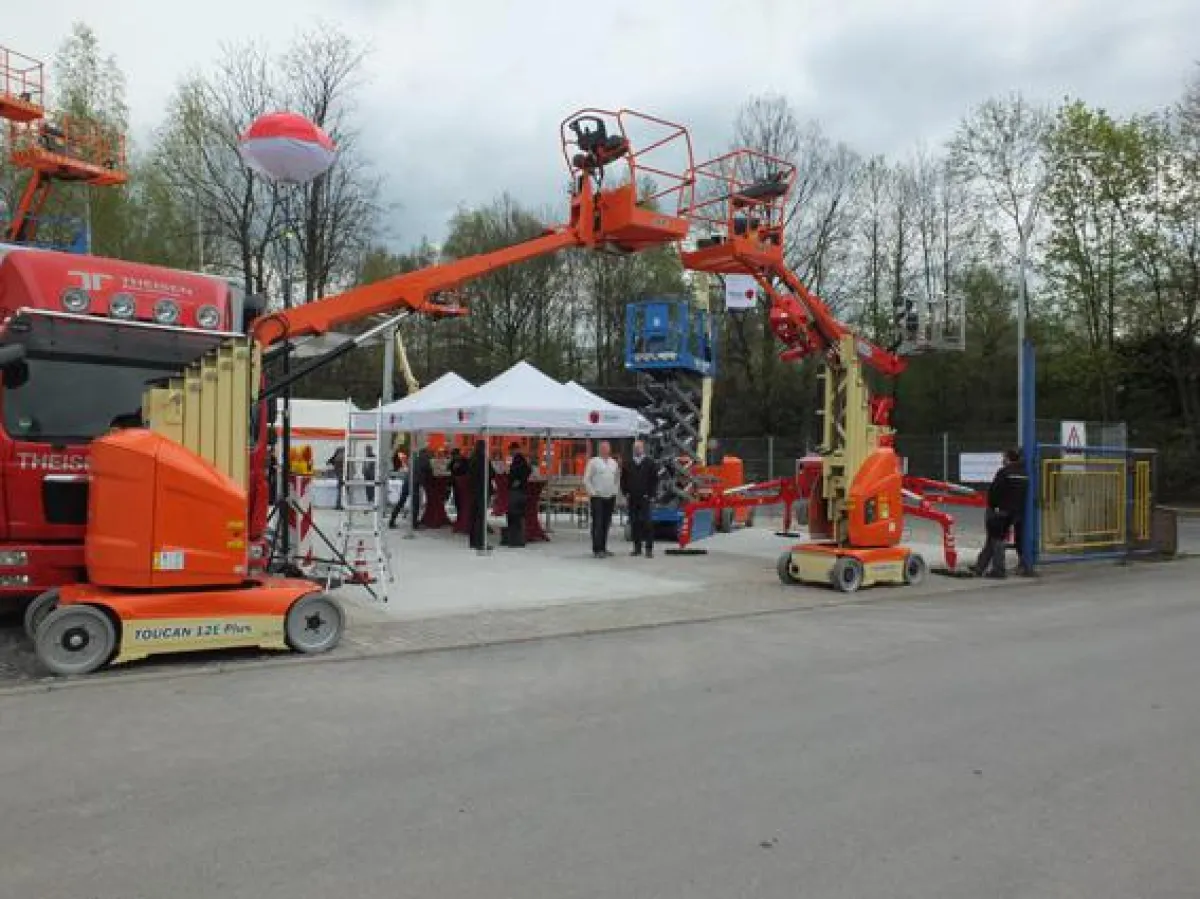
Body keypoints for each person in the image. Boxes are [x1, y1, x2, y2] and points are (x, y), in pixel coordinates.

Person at [972, 448, 1032, 578]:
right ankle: (979, 567)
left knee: (997, 540)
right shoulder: (1025, 474)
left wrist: (994, 507)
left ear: (1008, 458)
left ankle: (999, 570)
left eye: (1004, 457)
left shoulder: (1004, 472)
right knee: (992, 539)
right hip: (1015, 513)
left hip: (1000, 511)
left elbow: (994, 492)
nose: (1002, 460)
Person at [621, 439, 658, 558]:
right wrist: (625, 492)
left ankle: (649, 549)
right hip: (632, 498)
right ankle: (637, 548)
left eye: (639, 447)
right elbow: (623, 479)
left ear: (643, 448)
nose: (637, 449)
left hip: (645, 498)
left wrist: (651, 495)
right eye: (635, 448)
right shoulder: (628, 463)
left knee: (648, 523)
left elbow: (654, 480)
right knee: (634, 523)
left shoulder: (650, 463)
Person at [583, 440, 620, 558]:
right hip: (597, 497)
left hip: (610, 496)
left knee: (606, 523)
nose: (605, 450)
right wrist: (592, 493)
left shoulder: (613, 463)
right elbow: (586, 479)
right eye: (603, 447)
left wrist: (615, 491)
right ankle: (597, 549)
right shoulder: (593, 462)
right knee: (597, 523)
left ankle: (603, 547)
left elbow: (617, 478)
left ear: (609, 449)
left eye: (607, 448)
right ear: (599, 449)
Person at [503, 442, 531, 548]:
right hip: (520, 490)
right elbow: (528, 470)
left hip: (517, 491)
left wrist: (518, 480)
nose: (510, 452)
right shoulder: (520, 459)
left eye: (511, 450)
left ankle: (516, 538)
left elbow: (521, 472)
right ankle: (518, 538)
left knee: (514, 514)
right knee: (518, 515)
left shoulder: (518, 459)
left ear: (515, 449)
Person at [467, 439, 491, 551]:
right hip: (482, 490)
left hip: (472, 491)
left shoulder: (472, 459)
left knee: (473, 516)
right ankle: (481, 542)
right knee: (480, 517)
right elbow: (492, 473)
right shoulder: (483, 460)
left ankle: (472, 541)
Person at [327, 446, 346, 510]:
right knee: (342, 492)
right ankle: (340, 505)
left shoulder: (336, 457)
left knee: (340, 492)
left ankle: (338, 505)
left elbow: (330, 462)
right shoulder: (343, 457)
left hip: (339, 476)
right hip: (342, 477)